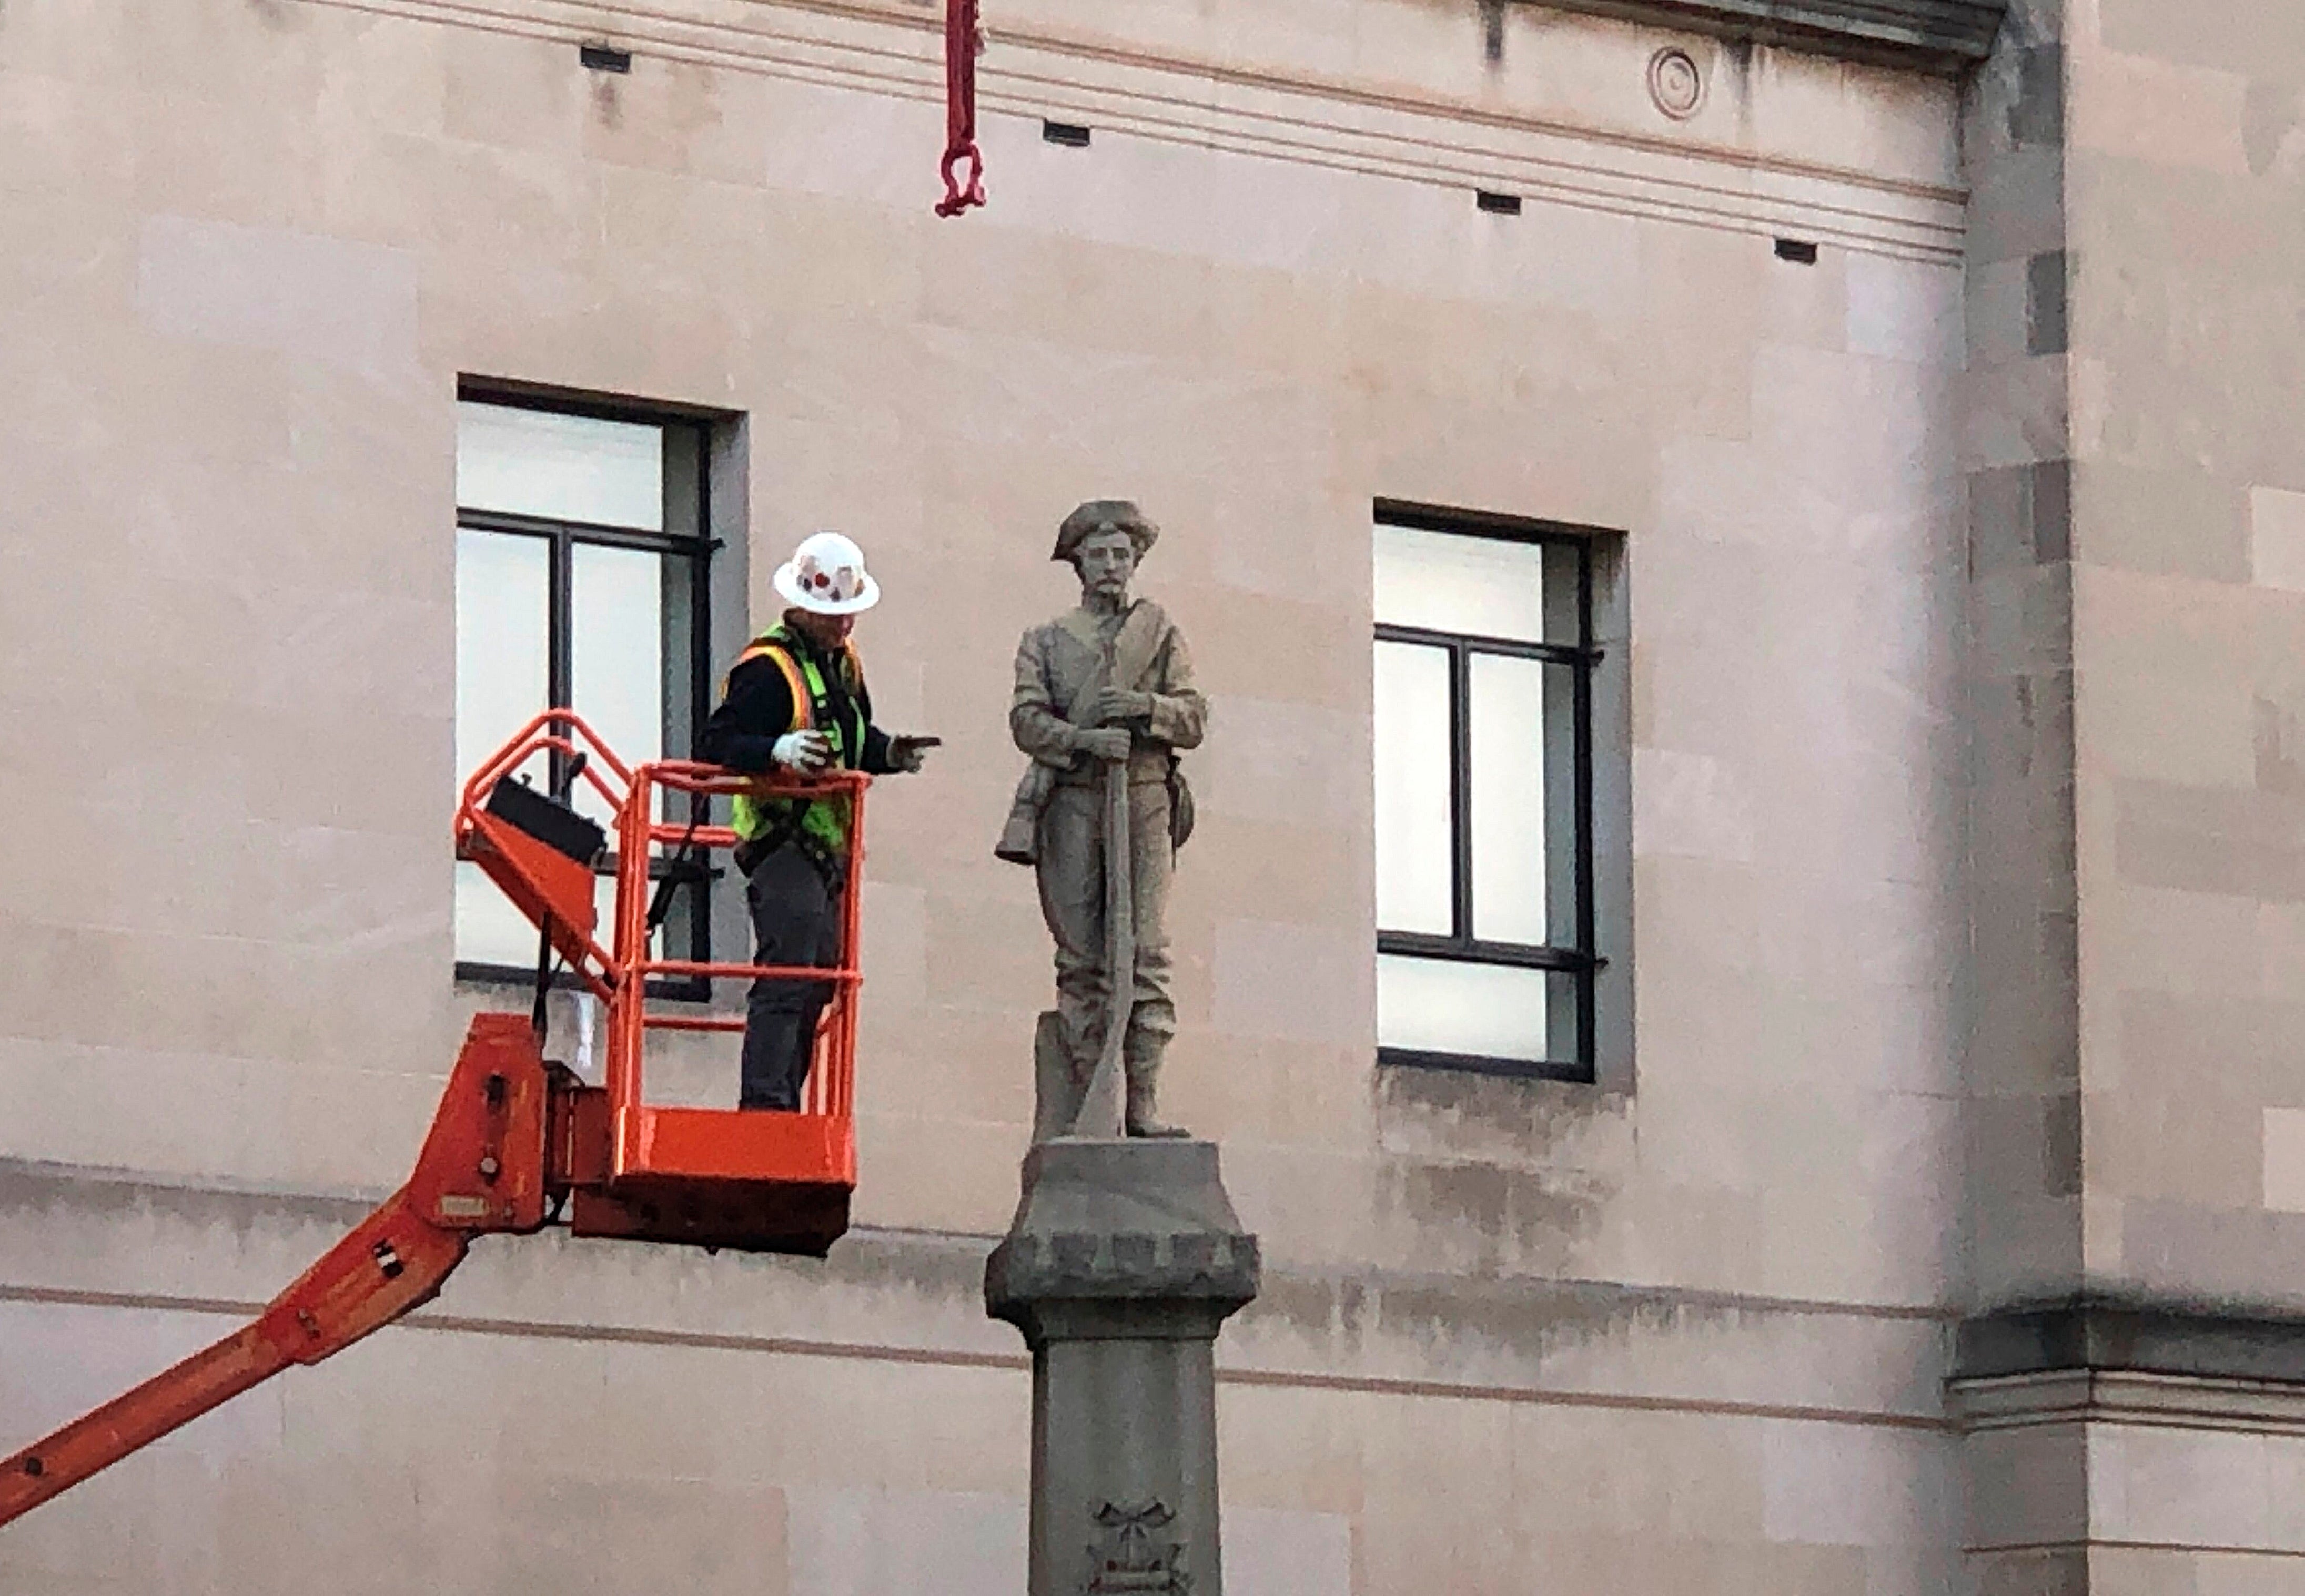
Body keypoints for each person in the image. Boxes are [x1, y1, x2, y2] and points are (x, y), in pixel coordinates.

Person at [699, 532, 934, 1111]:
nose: (844, 623)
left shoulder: (841, 664)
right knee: (788, 972)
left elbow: (849, 737)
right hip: (782, 840)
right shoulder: (767, 669)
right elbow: (716, 742)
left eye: (849, 612)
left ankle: (784, 1098)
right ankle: (766, 1105)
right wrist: (775, 750)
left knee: (821, 975)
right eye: (833, 614)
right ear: (802, 607)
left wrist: (888, 752)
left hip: (828, 846)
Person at [1000, 500, 1205, 1137]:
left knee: (1145, 953)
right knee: (1082, 959)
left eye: (1121, 554)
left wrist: (1144, 707)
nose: (1111, 565)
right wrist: (1083, 739)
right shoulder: (1045, 639)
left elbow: (1192, 716)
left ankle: (1142, 1103)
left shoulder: (1159, 633)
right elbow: (1026, 720)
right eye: (1098, 554)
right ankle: (1094, 1098)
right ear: (1079, 563)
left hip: (1143, 794)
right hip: (1072, 799)